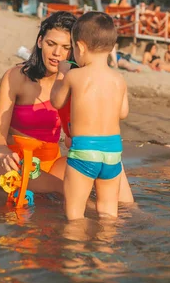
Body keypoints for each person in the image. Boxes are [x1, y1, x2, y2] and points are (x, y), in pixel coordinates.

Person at [0, 12, 134, 202]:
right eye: (51, 44)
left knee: (113, 165)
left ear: (75, 49)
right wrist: (4, 152)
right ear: (40, 41)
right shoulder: (16, 77)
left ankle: (131, 213)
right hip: (17, 164)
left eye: (66, 47)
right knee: (71, 194)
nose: (57, 53)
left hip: (54, 164)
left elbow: (71, 139)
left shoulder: (75, 83)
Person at [50, 12, 128, 220]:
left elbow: (57, 101)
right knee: (108, 211)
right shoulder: (118, 79)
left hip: (85, 150)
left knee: (74, 214)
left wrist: (61, 74)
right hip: (112, 153)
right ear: (111, 47)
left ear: (81, 47)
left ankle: (75, 250)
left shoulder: (75, 76)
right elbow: (123, 113)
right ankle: (103, 250)